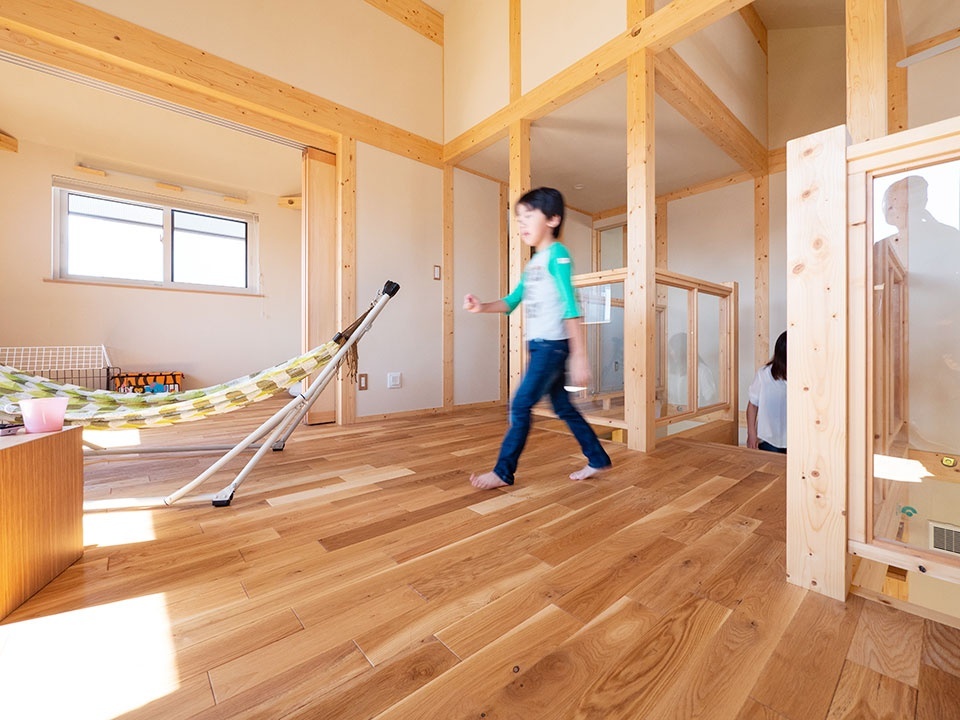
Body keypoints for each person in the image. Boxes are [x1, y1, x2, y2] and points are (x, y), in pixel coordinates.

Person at [463, 187, 612, 489]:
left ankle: (503, 472)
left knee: (520, 405)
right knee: (563, 407)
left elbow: (571, 306)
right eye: (518, 219)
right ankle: (597, 458)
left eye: (529, 216)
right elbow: (512, 300)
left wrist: (580, 356)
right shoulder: (533, 264)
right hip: (541, 347)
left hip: (552, 348)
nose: (522, 224)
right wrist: (482, 307)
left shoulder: (558, 256)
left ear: (553, 219)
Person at [746, 330, 787, 453]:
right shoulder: (764, 375)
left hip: (797, 438)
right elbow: (752, 405)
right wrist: (751, 433)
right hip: (769, 439)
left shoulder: (805, 375)